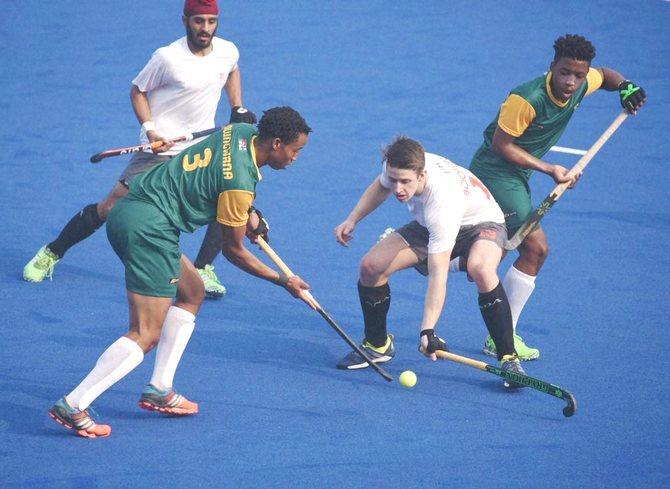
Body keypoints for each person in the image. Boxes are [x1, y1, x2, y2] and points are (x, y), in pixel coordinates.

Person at [48, 107, 316, 438]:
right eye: (295, 150)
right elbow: (234, 252)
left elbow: (225, 183)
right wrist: (282, 280)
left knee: (192, 291)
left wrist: (249, 213)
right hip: (149, 230)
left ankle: (159, 387)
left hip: (132, 211)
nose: (295, 158)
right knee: (146, 332)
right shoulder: (240, 183)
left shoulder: (239, 133)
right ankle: (74, 403)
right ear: (276, 143)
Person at [23, 0, 256, 301]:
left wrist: (237, 106)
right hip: (160, 149)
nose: (205, 29)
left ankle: (202, 269)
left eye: (211, 22)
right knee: (111, 207)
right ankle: (52, 252)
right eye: (199, 21)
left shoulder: (228, 51)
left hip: (200, 149)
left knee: (222, 201)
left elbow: (232, 71)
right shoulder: (167, 58)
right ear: (185, 20)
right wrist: (151, 130)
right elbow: (138, 90)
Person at [467, 34, 647, 360]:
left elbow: (606, 75)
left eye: (578, 75)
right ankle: (499, 337)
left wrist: (626, 86)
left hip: (517, 175)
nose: (571, 82)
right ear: (552, 67)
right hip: (495, 172)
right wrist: (550, 169)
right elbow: (501, 146)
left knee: (499, 247)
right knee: (535, 248)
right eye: (565, 72)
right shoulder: (526, 99)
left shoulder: (582, 83)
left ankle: (435, 247)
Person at [333, 136, 526, 387]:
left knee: (481, 268)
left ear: (422, 175)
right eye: (394, 179)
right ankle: (377, 345)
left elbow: (438, 274)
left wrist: (427, 330)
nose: (398, 189)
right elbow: (380, 186)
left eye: (405, 182)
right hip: (430, 226)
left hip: (482, 224)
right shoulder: (397, 165)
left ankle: (508, 357)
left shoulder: (442, 201)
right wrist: (353, 219)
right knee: (371, 267)